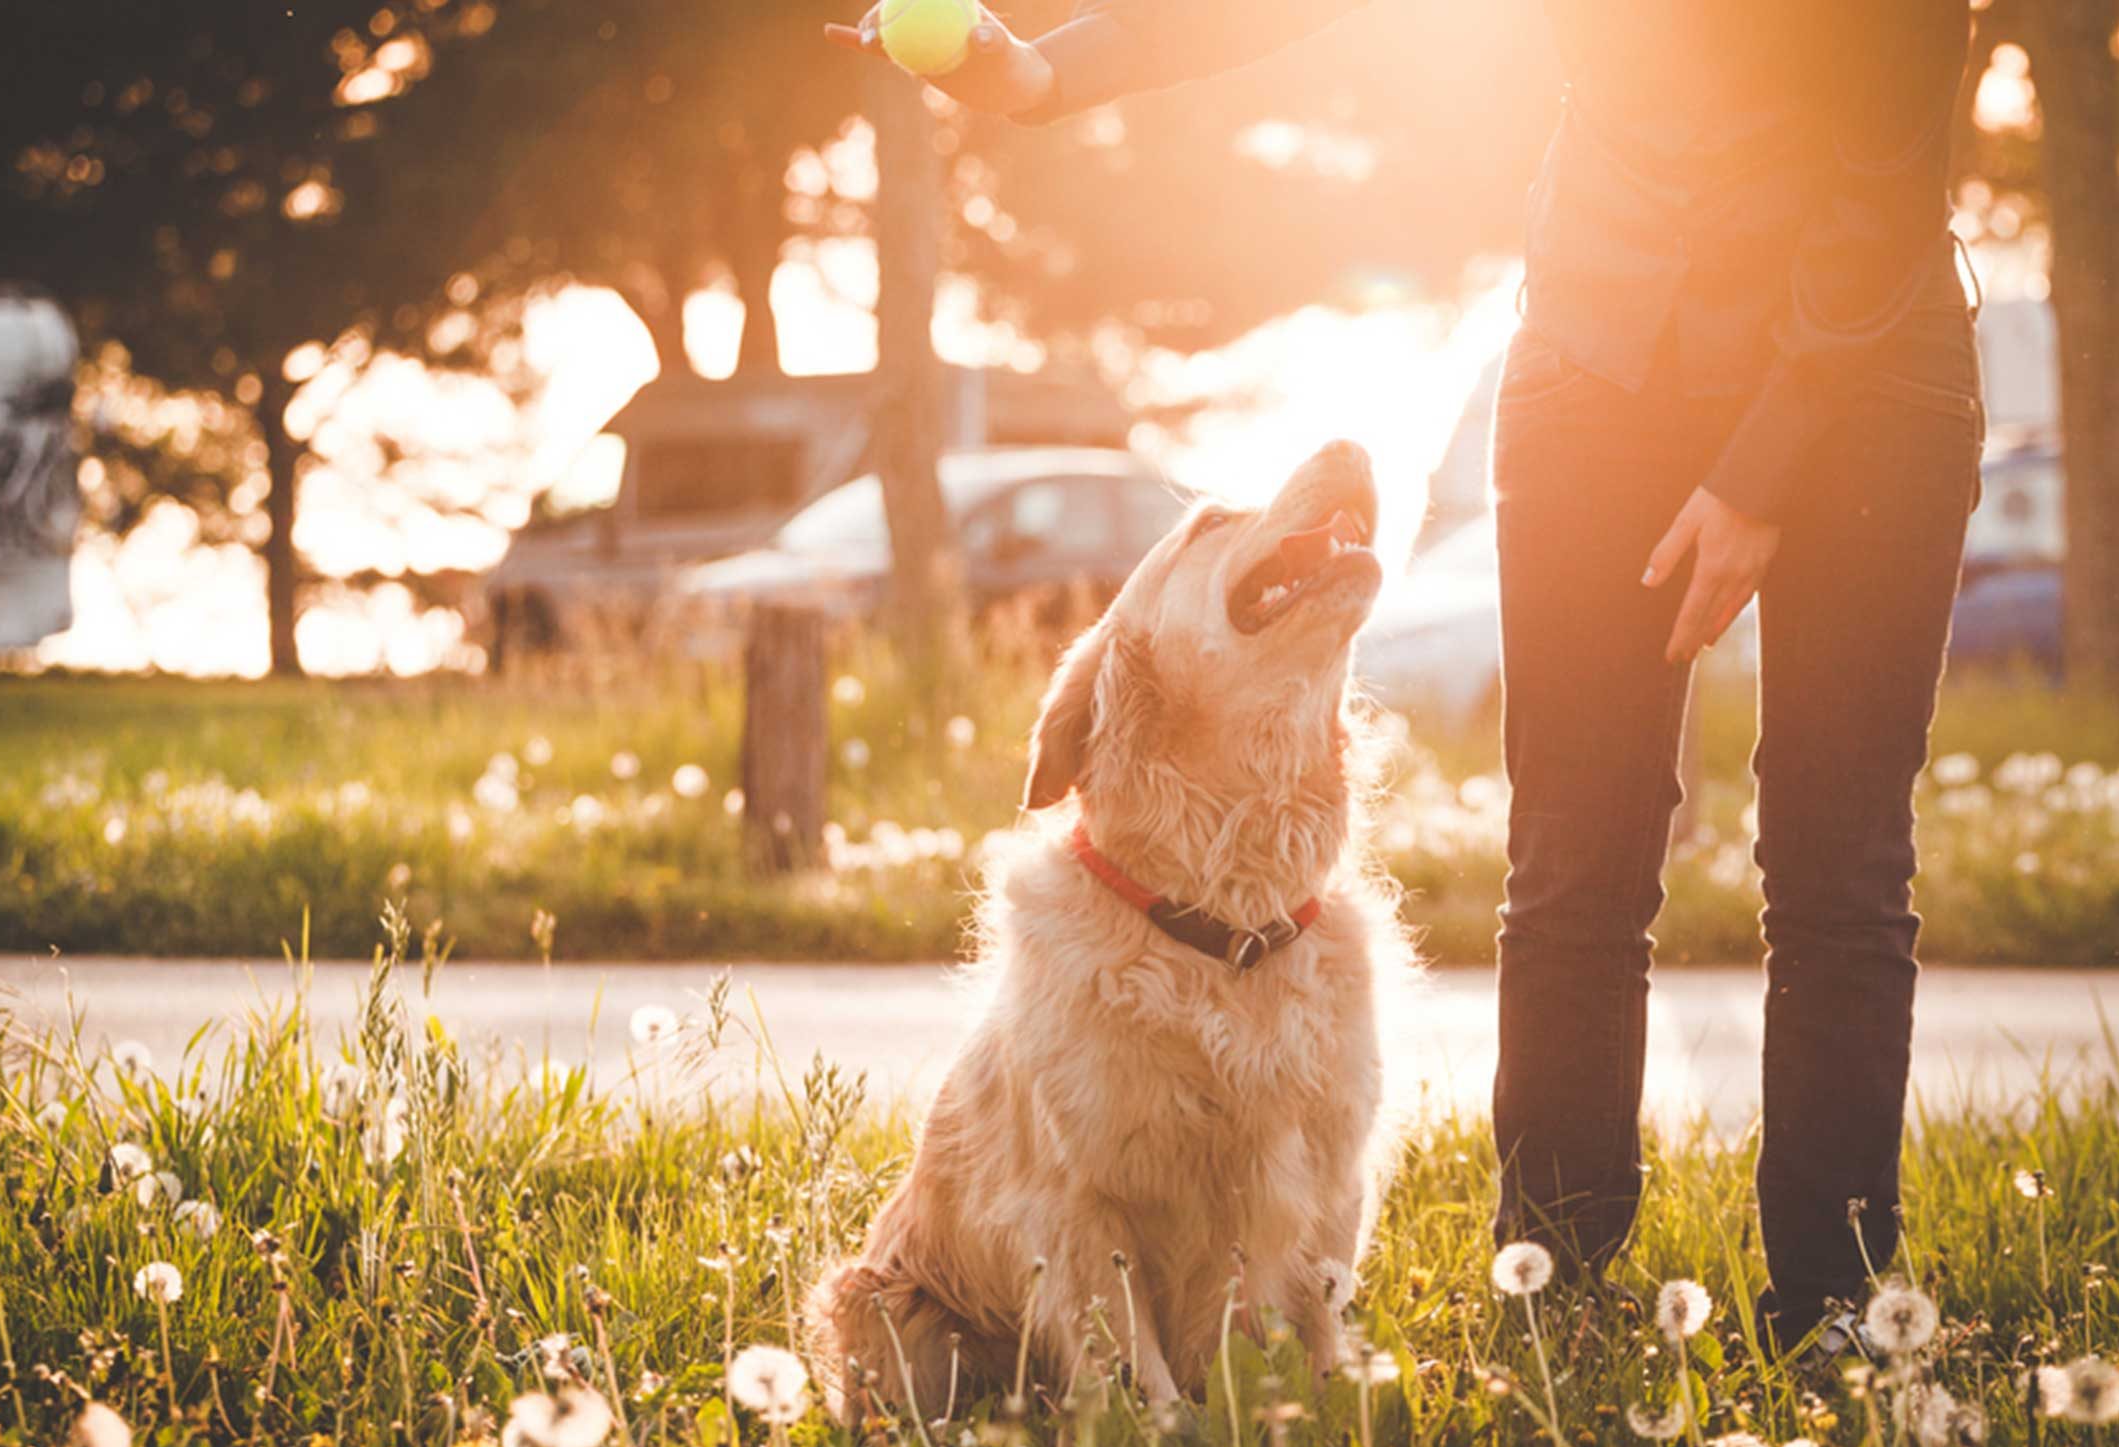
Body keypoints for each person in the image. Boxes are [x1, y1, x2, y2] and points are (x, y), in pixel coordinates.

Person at [831, 0, 1981, 1353]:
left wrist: (1759, 469)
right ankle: (1555, 1297)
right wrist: (1037, 73)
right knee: (1574, 857)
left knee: (1839, 863)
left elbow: (1889, 172)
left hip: (1860, 370)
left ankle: (1836, 1310)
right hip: (1606, 360)